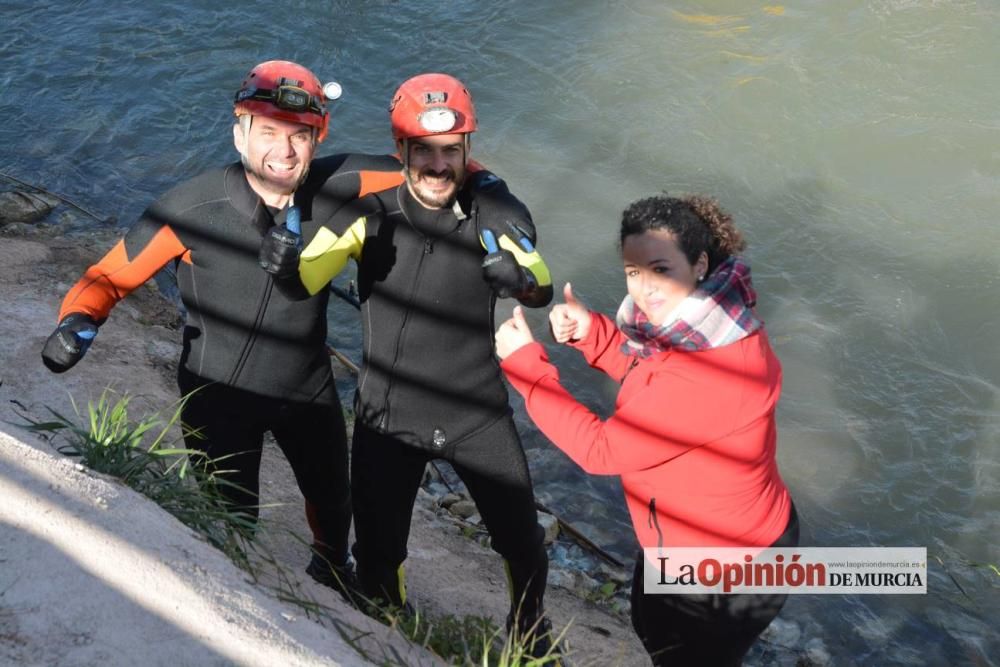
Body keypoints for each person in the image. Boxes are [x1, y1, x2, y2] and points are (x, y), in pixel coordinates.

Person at [41, 60, 407, 600]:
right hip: (217, 392)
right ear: (239, 133)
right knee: (232, 515)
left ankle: (330, 570)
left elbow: (430, 168)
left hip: (305, 385)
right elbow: (108, 278)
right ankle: (239, 593)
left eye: (300, 136)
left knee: (333, 497)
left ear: (318, 138)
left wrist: (492, 193)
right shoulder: (191, 209)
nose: (284, 151)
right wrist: (77, 322)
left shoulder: (341, 186)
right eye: (268, 134)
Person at [260, 73, 559, 654]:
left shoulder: (488, 218)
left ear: (468, 153)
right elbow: (304, 281)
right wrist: (282, 259)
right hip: (389, 418)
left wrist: (520, 278)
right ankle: (391, 628)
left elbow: (539, 284)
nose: (438, 166)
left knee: (523, 542)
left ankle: (530, 633)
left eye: (451, 152)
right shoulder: (366, 217)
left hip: (477, 413)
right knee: (377, 556)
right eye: (423, 150)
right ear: (401, 152)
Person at [494, 194, 799, 666]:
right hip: (683, 540)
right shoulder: (700, 327)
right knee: (650, 622)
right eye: (633, 272)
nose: (644, 289)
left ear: (699, 263)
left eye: (660, 269)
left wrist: (526, 366)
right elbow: (652, 377)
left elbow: (599, 450)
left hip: (733, 566)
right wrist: (593, 334)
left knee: (686, 656)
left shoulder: (718, 368)